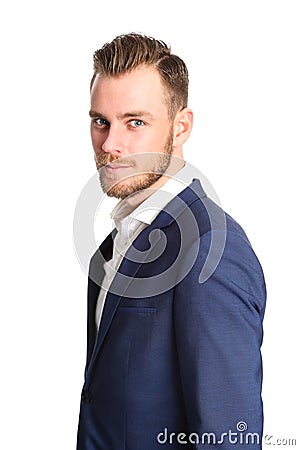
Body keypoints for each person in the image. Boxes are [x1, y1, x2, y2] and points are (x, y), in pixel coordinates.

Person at [76, 33, 266, 450]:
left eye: (135, 122)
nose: (110, 145)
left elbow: (228, 438)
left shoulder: (212, 250)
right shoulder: (113, 244)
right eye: (100, 121)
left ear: (180, 127)